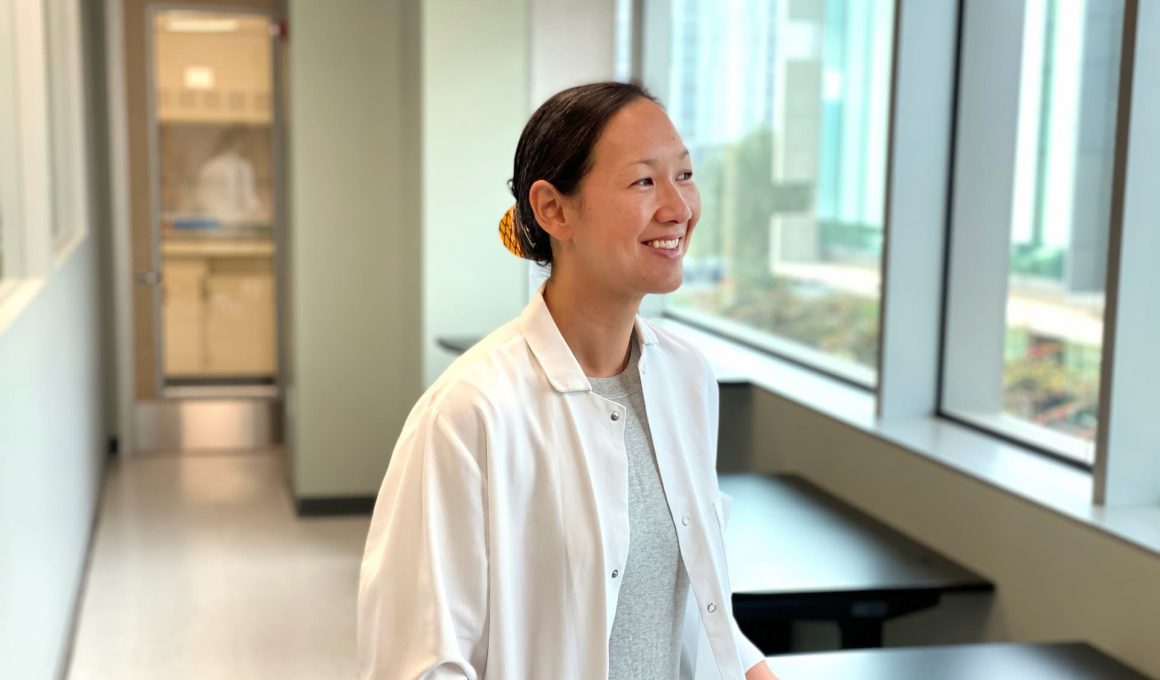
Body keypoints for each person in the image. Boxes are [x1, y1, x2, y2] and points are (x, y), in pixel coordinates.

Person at [358, 82, 780, 680]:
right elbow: (420, 662)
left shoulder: (685, 378)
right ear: (553, 209)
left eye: (684, 175)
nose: (679, 208)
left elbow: (681, 602)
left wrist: (751, 668)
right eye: (643, 181)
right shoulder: (469, 412)